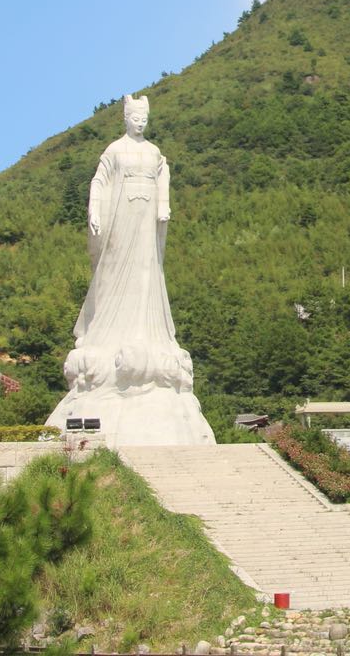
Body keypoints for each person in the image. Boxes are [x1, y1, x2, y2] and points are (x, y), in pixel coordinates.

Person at [48, 94, 214, 444]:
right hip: (121, 223)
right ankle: (108, 341)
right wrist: (95, 211)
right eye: (135, 115)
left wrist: (163, 205)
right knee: (113, 279)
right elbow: (98, 182)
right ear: (125, 117)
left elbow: (163, 175)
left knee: (146, 276)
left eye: (144, 116)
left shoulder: (154, 152)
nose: (140, 121)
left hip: (145, 227)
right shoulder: (114, 151)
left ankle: (146, 336)